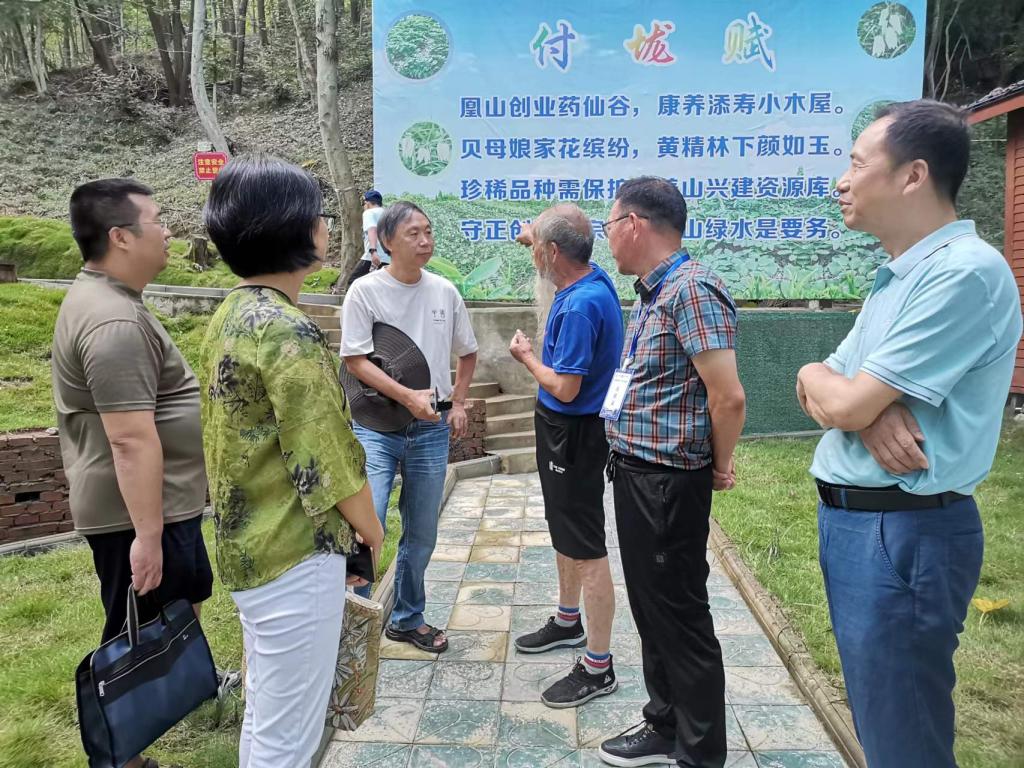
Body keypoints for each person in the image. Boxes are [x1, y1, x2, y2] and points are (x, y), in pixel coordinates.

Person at [797, 100, 1022, 768]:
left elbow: (844, 400)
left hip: (905, 531)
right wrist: (833, 388)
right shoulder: (899, 276)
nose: (841, 181)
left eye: (857, 163)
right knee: (881, 717)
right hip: (863, 524)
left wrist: (854, 403)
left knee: (904, 734)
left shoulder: (963, 272)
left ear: (913, 175)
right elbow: (822, 383)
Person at [200, 154, 384, 766]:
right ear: (292, 228)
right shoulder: (286, 329)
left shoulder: (232, 313)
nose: (325, 224)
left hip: (249, 546)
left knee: (268, 715)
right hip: (295, 553)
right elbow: (324, 456)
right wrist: (371, 528)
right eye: (317, 214)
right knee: (289, 735)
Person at [53, 178, 212, 768]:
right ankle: (116, 755)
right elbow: (129, 437)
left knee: (170, 614)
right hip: (139, 513)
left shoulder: (116, 302)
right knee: (130, 636)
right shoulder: (113, 322)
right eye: (158, 220)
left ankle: (156, 720)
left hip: (160, 505)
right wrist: (147, 536)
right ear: (121, 237)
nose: (168, 231)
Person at [599, 177, 746, 768]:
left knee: (680, 615)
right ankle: (664, 724)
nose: (608, 237)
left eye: (610, 225)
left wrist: (720, 463)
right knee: (651, 607)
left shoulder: (692, 290)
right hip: (636, 473)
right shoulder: (651, 293)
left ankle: (701, 753)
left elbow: (727, 396)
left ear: (634, 224)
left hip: (666, 482)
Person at [341, 200, 478, 653]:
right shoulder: (365, 291)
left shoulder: (444, 292)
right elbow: (355, 359)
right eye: (413, 233)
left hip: (430, 429)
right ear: (386, 241)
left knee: (421, 532)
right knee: (368, 523)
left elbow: (468, 352)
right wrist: (406, 396)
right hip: (376, 427)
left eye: (428, 231)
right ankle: (352, 626)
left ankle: (406, 618)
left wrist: (458, 402)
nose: (425, 241)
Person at [507, 203, 625, 708]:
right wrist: (534, 237)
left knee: (586, 547)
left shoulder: (579, 306)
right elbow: (551, 239)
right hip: (566, 430)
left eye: (537, 245)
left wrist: (526, 357)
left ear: (553, 252)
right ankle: (567, 619)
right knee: (565, 531)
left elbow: (566, 387)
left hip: (573, 432)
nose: (532, 249)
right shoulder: (590, 276)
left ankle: (598, 666)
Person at [345, 189, 386, 288]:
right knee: (379, 286)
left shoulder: (369, 213)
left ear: (367, 203)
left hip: (374, 257)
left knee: (353, 282)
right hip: (389, 258)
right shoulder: (387, 213)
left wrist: (373, 251)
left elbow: (372, 229)